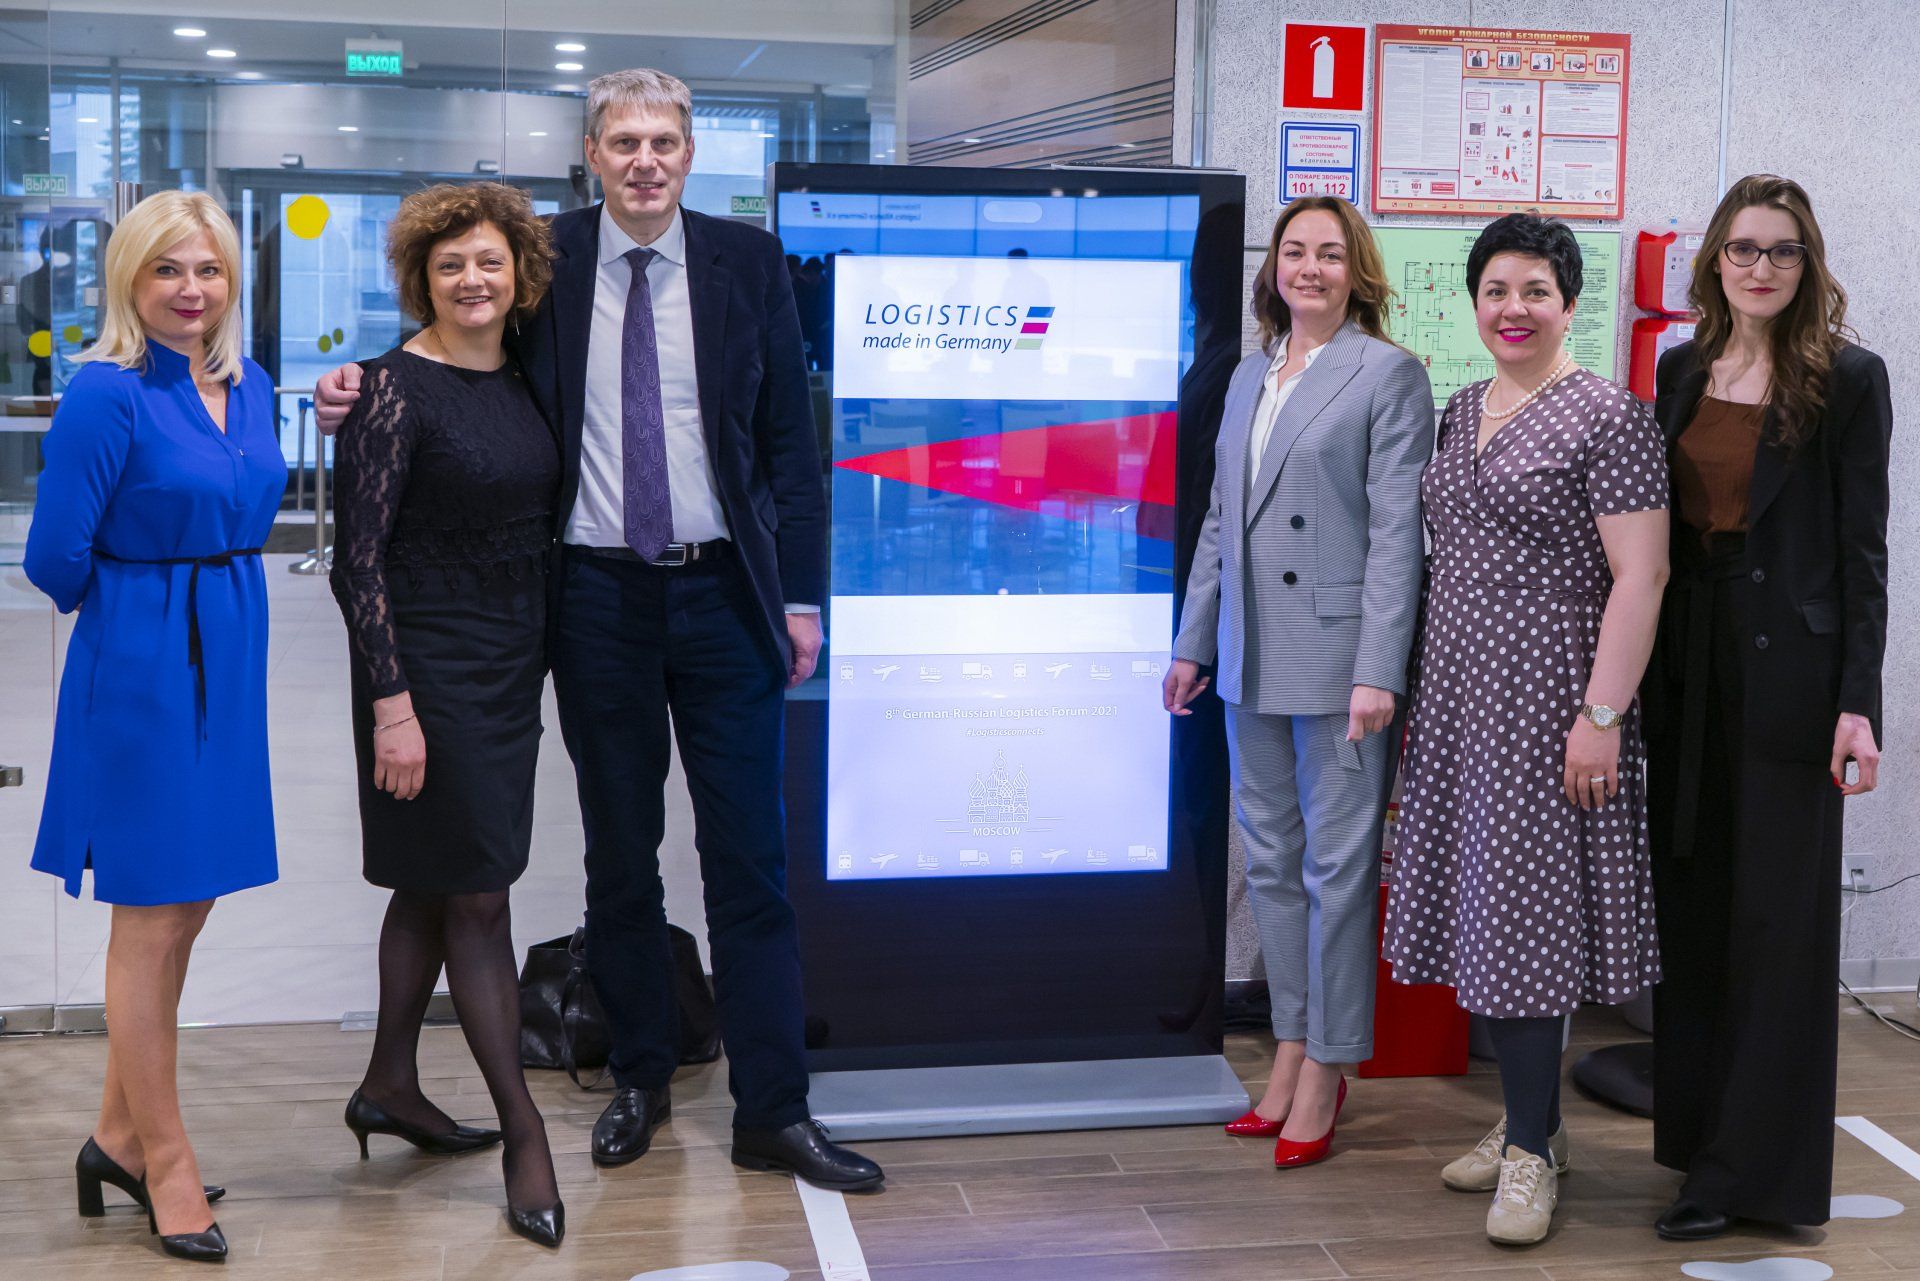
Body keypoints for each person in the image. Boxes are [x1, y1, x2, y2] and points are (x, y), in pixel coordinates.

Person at [315, 68, 882, 1190]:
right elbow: (458, 333)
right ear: (593, 155)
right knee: (620, 857)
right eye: (624, 142)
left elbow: (791, 445)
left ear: (690, 154)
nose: (645, 161)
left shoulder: (748, 262)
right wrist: (357, 385)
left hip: (726, 600)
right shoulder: (547, 260)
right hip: (593, 603)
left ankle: (774, 1108)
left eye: (664, 141)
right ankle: (640, 1076)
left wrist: (802, 598)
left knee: (751, 861)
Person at [1381, 213, 1670, 1246]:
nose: (1514, 309)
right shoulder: (1462, 408)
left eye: (1535, 291)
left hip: (1552, 702)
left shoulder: (1611, 417)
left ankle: (1534, 1157)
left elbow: (1642, 575)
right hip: (1463, 698)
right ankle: (1526, 1119)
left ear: (1569, 304)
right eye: (1496, 290)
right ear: (1474, 302)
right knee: (1487, 915)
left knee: (1527, 923)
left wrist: (1601, 716)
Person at [25, 190, 285, 1264]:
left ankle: (116, 1137)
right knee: (149, 915)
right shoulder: (107, 391)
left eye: (209, 269)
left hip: (232, 643)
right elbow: (53, 557)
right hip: (140, 659)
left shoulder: (250, 382)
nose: (191, 289)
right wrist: (142, 610)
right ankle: (165, 1162)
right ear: (128, 280)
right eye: (168, 269)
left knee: (190, 905)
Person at [1643, 174, 1890, 1241]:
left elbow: (1864, 552)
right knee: (1695, 912)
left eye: (1783, 251)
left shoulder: (1850, 380)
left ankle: (1756, 1177)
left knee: (1777, 927)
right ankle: (1698, 1148)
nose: (1761, 267)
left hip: (1793, 678)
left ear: (1808, 264)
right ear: (1714, 260)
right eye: (1744, 248)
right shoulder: (1682, 366)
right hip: (1688, 671)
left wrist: (1859, 702)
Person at [1164, 196, 1432, 1169]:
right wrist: (1194, 643)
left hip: (1340, 662)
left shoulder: (1388, 373)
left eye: (1328, 253)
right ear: (1272, 267)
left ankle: (1329, 1062)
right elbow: (1219, 522)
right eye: (1294, 251)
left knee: (1338, 874)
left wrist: (1379, 670)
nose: (1309, 267)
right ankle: (1287, 1045)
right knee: (1273, 866)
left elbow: (1398, 535)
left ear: (1357, 270)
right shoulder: (1250, 374)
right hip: (1249, 654)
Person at [328, 182, 565, 1248]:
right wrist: (392, 706)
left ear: (520, 274)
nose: (473, 279)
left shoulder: (523, 375)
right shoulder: (389, 388)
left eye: (490, 261)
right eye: (451, 263)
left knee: (432, 880)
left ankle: (389, 1083)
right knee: (477, 895)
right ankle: (526, 1131)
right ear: (421, 278)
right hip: (423, 670)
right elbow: (358, 561)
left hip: (510, 666)